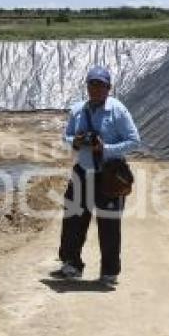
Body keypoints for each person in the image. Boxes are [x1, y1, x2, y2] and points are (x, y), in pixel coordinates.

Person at [52, 65, 140, 285]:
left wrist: (105, 148)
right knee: (73, 220)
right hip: (82, 173)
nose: (96, 89)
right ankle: (71, 264)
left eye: (100, 85)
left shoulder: (118, 110)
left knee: (109, 223)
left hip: (108, 175)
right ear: (87, 86)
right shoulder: (77, 110)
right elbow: (67, 136)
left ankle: (109, 272)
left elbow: (134, 140)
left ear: (109, 87)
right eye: (92, 84)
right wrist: (76, 141)